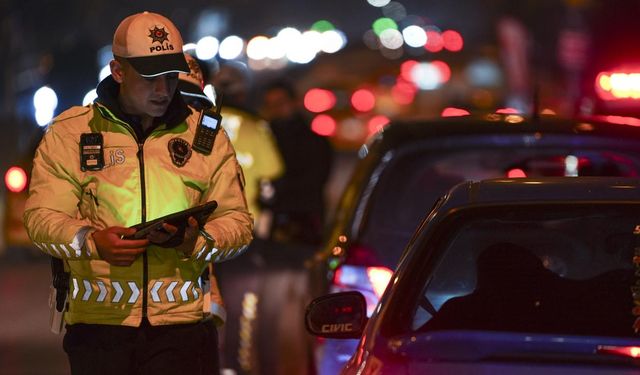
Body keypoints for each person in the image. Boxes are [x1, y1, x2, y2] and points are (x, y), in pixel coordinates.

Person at [23, 11, 253, 375]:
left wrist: (197, 240)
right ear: (118, 71)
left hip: (183, 330)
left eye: (169, 76)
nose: (163, 89)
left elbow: (238, 222)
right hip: (100, 330)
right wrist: (94, 241)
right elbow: (40, 218)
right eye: (150, 78)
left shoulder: (204, 137)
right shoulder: (71, 133)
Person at [260, 79, 333, 245]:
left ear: (294, 102)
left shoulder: (314, 142)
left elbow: (316, 181)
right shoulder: (264, 139)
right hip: (275, 222)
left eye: (280, 102)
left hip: (305, 223)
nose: (276, 109)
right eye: (270, 104)